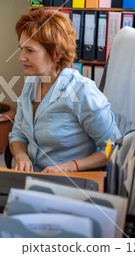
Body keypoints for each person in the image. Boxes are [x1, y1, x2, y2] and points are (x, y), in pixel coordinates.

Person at [8, 9, 121, 173]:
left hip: (71, 182)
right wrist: (21, 156)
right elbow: (18, 133)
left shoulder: (82, 91)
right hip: (35, 178)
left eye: (30, 51)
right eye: (21, 49)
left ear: (56, 53)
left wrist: (69, 167)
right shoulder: (31, 83)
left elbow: (114, 148)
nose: (21, 58)